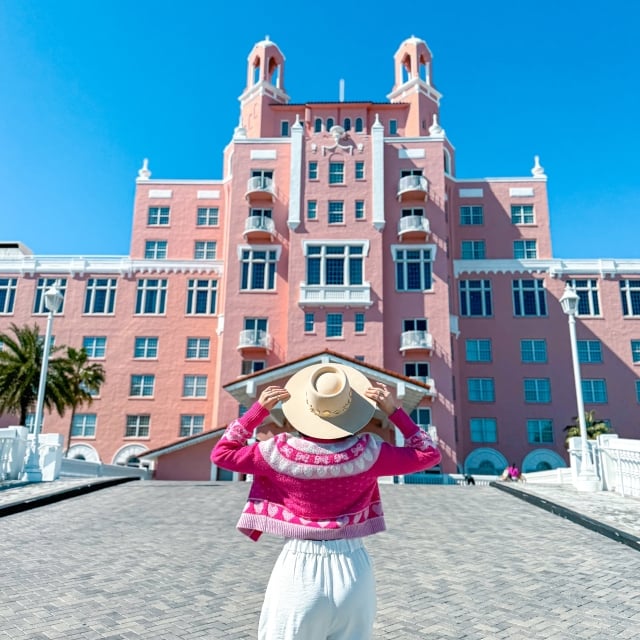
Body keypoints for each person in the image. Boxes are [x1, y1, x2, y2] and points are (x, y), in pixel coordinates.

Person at [211, 363, 441, 640]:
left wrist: (256, 412)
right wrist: (394, 411)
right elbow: (429, 454)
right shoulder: (370, 452)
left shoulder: (276, 452)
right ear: (350, 411)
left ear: (306, 410)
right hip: (354, 568)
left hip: (298, 569)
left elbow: (221, 454)